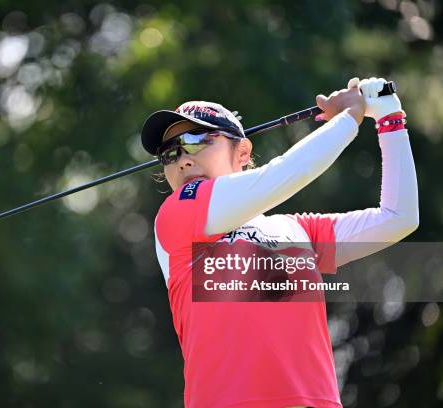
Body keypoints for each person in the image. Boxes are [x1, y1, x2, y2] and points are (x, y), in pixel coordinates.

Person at [140, 77, 419, 408]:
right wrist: (349, 118)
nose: (183, 159)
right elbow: (280, 175)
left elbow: (398, 217)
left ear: (242, 151)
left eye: (197, 140)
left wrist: (389, 118)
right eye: (170, 152)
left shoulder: (297, 231)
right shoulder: (176, 218)